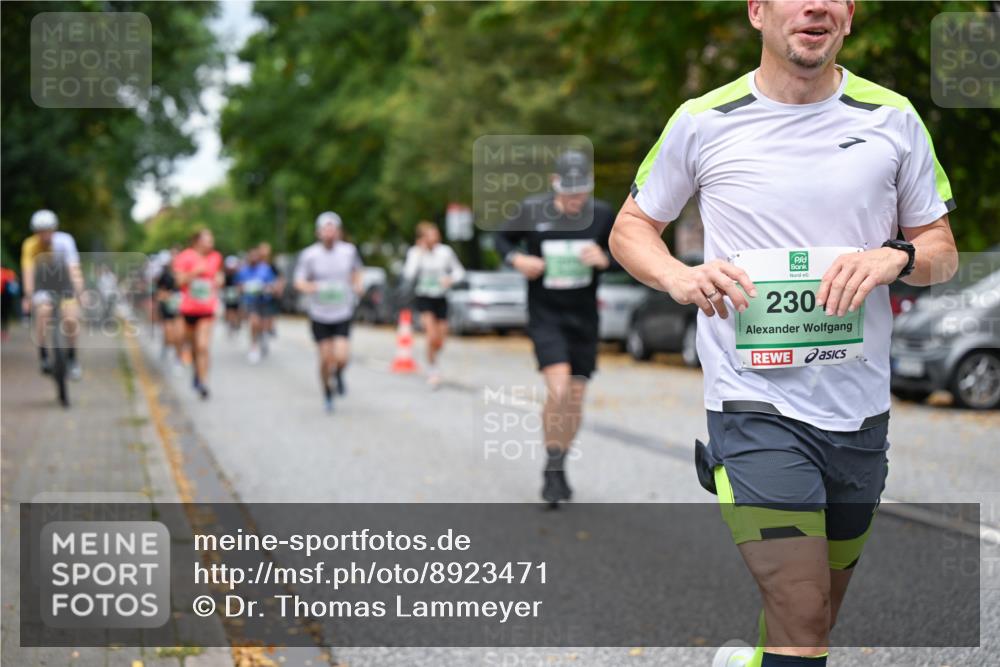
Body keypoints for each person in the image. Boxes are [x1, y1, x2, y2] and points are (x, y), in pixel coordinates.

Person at [609, 2, 959, 665]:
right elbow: (631, 227)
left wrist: (897, 258)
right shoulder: (702, 121)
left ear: (849, 16)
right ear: (758, 12)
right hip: (753, 407)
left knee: (811, 615)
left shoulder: (894, 118)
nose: (816, 5)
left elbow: (941, 249)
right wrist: (678, 277)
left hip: (858, 416)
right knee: (802, 615)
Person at [494, 150, 617, 507]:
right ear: (555, 185)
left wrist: (605, 261)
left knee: (576, 397)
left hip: (583, 318)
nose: (577, 200)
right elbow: (500, 241)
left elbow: (625, 252)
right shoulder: (533, 211)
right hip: (546, 314)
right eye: (570, 192)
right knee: (559, 388)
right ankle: (551, 463)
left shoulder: (603, 214)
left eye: (582, 192)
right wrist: (518, 259)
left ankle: (559, 463)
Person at [294, 212, 364, 412]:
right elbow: (299, 281)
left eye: (333, 228)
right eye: (325, 228)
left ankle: (339, 374)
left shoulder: (349, 251)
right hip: (320, 313)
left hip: (342, 311)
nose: (329, 232)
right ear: (318, 232)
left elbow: (357, 271)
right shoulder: (309, 255)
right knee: (325, 359)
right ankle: (327, 392)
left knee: (342, 356)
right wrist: (311, 287)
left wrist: (358, 285)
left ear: (339, 232)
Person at [20, 209, 84, 380]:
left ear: (54, 229)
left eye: (47, 230)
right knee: (42, 313)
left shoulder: (65, 241)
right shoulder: (30, 245)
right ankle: (44, 356)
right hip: (43, 284)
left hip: (63, 283)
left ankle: (72, 358)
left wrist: (80, 292)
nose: (44, 235)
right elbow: (28, 272)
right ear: (35, 232)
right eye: (40, 231)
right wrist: (28, 296)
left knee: (71, 318)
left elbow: (73, 269)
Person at [402, 221, 465, 387]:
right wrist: (419, 254)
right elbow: (409, 274)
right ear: (422, 238)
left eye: (435, 234)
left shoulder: (445, 252)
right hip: (424, 297)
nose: (434, 238)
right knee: (431, 335)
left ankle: (433, 357)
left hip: (441, 298)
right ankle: (432, 369)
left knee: (440, 340)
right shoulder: (415, 252)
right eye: (429, 235)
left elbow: (459, 271)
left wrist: (450, 279)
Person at [173, 229, 223, 399]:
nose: (211, 243)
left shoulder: (215, 257)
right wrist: (195, 272)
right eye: (208, 240)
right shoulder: (185, 257)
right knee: (193, 346)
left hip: (207, 309)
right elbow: (179, 281)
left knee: (203, 346)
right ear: (197, 241)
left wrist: (219, 280)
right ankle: (197, 372)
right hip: (188, 309)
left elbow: (217, 276)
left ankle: (203, 382)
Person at [235, 245, 278, 364]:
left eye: (256, 256)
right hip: (251, 301)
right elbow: (238, 287)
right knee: (254, 322)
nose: (253, 258)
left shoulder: (265, 269)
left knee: (264, 325)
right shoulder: (243, 271)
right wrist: (244, 289)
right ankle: (254, 346)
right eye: (251, 256)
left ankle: (263, 337)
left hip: (265, 300)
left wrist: (267, 288)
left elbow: (272, 284)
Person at [154, 249, 184, 371]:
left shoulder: (186, 273)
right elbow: (159, 293)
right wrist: (167, 296)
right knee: (169, 334)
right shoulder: (164, 275)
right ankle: (165, 346)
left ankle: (178, 359)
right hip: (167, 308)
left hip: (181, 310)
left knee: (179, 336)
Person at [258, 242, 284, 339]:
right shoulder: (255, 264)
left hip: (270, 293)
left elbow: (280, 277)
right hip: (257, 295)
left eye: (266, 250)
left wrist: (278, 288)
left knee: (271, 313)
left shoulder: (272, 265)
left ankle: (269, 327)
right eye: (262, 249)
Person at [222, 255, 242, 336]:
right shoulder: (225, 275)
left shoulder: (238, 274)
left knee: (237, 309)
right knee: (229, 309)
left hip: (236, 293)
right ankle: (230, 323)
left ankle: (235, 323)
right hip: (228, 293)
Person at [0, 265, 20, 342]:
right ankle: (4, 332)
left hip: (5, 298)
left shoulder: (7, 273)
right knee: (5, 316)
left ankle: (3, 332)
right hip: (7, 298)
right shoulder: (9, 273)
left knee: (4, 316)